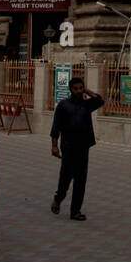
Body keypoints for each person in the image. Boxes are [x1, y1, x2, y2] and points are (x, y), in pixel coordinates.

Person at [50, 77, 103, 221]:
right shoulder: (63, 105)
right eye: (76, 89)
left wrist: (87, 91)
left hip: (83, 146)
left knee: (81, 178)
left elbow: (100, 101)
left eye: (81, 88)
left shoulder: (87, 105)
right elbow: (56, 127)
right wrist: (54, 146)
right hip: (68, 146)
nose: (79, 91)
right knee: (66, 177)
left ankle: (75, 211)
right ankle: (58, 198)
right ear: (70, 90)